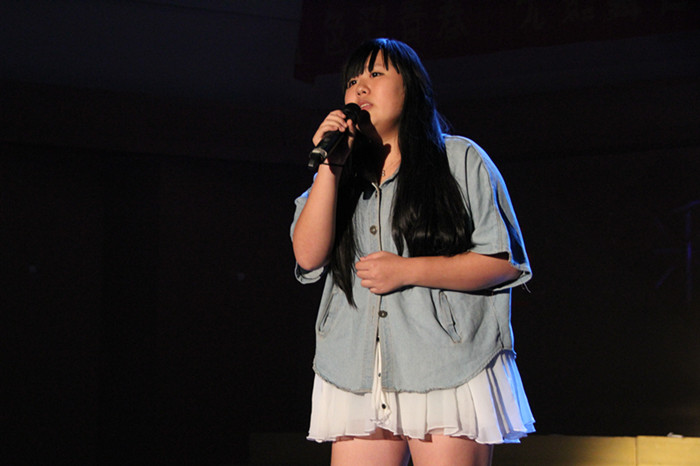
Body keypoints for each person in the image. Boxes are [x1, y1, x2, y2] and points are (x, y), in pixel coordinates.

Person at [290, 38, 534, 466]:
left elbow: (503, 262)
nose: (360, 88)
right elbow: (308, 256)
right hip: (356, 370)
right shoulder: (341, 173)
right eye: (352, 80)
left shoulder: (459, 159)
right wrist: (330, 166)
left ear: (412, 87)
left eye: (376, 74)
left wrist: (407, 270)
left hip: (447, 364)